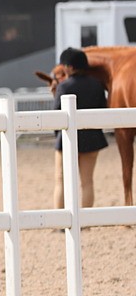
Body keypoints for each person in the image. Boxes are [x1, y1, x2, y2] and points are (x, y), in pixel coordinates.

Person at [53, 47, 108, 209]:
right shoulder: (97, 85)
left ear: (70, 67)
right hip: (92, 139)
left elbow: (56, 116)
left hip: (67, 140)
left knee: (61, 181)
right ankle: (85, 221)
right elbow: (102, 110)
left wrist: (58, 135)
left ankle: (59, 221)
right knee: (87, 182)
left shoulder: (64, 87)